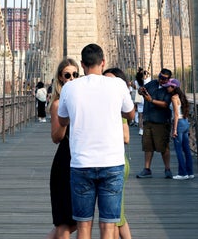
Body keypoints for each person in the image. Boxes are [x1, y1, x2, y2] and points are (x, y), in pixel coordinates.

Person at [55, 43, 135, 239]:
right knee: (108, 226)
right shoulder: (117, 84)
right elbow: (130, 114)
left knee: (83, 227)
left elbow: (62, 120)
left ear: (82, 65)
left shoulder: (70, 88)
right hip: (112, 163)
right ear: (103, 62)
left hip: (81, 164)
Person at [47, 59, 79, 239]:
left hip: (80, 160)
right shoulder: (58, 104)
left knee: (75, 220)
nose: (72, 78)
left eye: (75, 75)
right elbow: (56, 137)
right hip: (65, 161)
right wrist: (65, 115)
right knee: (65, 221)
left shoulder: (82, 100)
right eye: (67, 75)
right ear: (60, 77)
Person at [103, 67, 135, 239]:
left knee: (114, 217)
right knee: (117, 216)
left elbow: (126, 137)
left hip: (117, 164)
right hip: (109, 164)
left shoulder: (117, 110)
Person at [135, 67, 174, 178]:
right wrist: (140, 91)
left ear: (168, 79)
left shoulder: (169, 88)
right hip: (148, 120)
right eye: (160, 77)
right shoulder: (152, 83)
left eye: (164, 78)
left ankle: (167, 169)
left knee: (164, 147)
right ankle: (147, 169)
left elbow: (165, 104)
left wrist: (151, 100)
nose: (161, 80)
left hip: (161, 121)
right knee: (148, 146)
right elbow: (141, 91)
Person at [165, 78, 194, 180]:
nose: (167, 88)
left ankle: (182, 173)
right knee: (186, 149)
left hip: (179, 123)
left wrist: (175, 129)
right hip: (185, 122)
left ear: (173, 87)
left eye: (168, 86)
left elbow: (176, 114)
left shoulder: (173, 98)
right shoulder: (181, 96)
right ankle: (190, 172)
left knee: (178, 149)